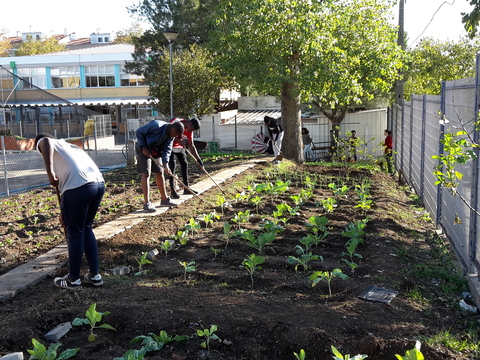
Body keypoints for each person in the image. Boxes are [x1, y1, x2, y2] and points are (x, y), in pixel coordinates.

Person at [35, 133, 105, 289]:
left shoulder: (46, 141)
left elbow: (44, 141)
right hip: (97, 184)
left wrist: (50, 173)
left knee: (75, 233)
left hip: (78, 187)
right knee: (86, 228)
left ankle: (73, 279)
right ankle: (95, 275)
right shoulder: (69, 147)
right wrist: (63, 211)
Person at [135, 120, 185, 212]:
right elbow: (139, 131)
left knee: (160, 172)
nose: (175, 137)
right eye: (176, 135)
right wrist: (144, 148)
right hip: (143, 149)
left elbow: (167, 150)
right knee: (146, 174)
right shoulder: (156, 125)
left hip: (155, 150)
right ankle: (147, 203)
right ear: (174, 130)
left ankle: (164, 199)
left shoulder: (171, 137)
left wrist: (166, 164)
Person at [168, 118, 203, 199]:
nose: (191, 131)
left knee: (184, 164)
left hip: (180, 148)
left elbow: (192, 145)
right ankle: (173, 191)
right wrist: (177, 139)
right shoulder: (176, 122)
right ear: (190, 124)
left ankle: (186, 188)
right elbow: (167, 132)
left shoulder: (190, 130)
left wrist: (199, 160)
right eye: (192, 129)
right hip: (169, 146)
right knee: (172, 167)